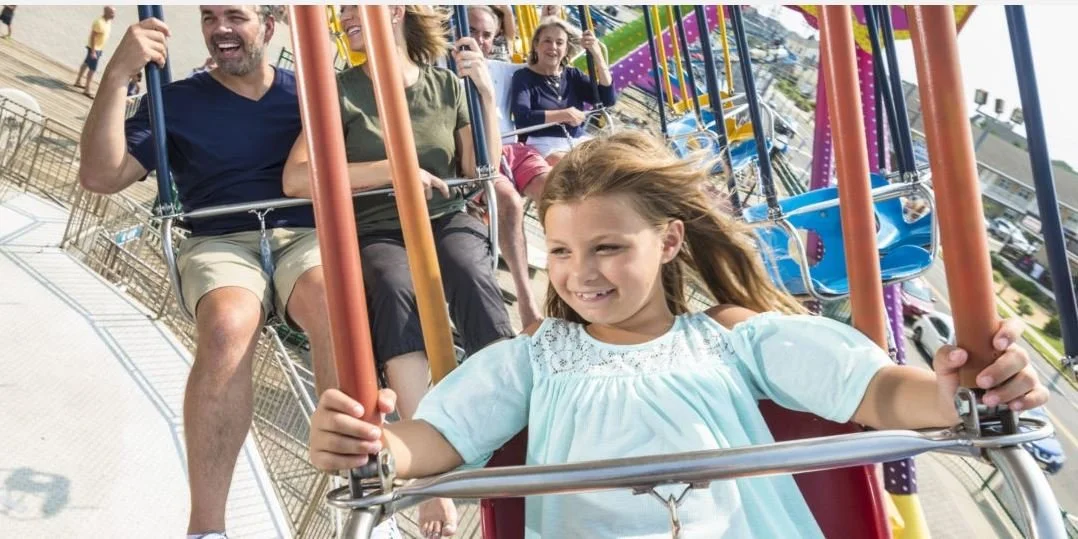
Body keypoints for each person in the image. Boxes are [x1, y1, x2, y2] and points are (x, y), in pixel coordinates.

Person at [307, 131, 1048, 538]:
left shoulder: (728, 338)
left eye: (607, 248)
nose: (579, 274)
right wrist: (373, 446)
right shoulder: (539, 359)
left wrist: (960, 393)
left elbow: (873, 391)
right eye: (560, 251)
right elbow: (438, 436)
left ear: (667, 241)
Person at [77, 6, 339, 538]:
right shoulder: (175, 102)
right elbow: (101, 176)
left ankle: (350, 472)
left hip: (300, 232)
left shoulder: (310, 96)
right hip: (221, 238)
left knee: (333, 302)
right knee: (226, 325)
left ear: (269, 26)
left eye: (235, 16)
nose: (221, 28)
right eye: (209, 17)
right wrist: (118, 74)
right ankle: (207, 527)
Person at [282, 6, 514, 537]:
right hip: (380, 224)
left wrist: (484, 95)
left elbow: (479, 168)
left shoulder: (445, 86)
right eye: (340, 11)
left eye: (354, 7)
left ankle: (504, 416)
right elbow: (296, 178)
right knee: (392, 283)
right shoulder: (340, 90)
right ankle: (426, 457)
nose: (345, 17)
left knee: (468, 268)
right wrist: (394, 169)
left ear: (395, 10)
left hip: (442, 215)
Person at [467, 5, 546, 329]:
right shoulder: (440, 66)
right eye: (472, 31)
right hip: (479, 150)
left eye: (486, 35)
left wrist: (522, 16)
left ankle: (572, 274)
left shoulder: (504, 70)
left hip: (512, 148)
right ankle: (527, 302)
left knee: (558, 191)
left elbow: (538, 60)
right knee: (510, 201)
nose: (479, 40)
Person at [510, 16, 615, 166]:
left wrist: (598, 56)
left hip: (577, 140)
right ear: (536, 45)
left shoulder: (573, 75)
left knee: (612, 160)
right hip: (542, 143)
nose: (553, 47)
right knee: (576, 165)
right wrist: (564, 115)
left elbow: (607, 100)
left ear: (566, 50)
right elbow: (522, 118)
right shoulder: (523, 77)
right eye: (547, 41)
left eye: (559, 43)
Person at [73, 6, 116, 98]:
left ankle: (78, 81)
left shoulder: (108, 22)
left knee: (86, 63)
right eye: (112, 13)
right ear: (106, 12)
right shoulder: (99, 22)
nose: (114, 15)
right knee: (92, 69)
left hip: (98, 48)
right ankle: (87, 89)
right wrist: (93, 52)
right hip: (94, 49)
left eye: (114, 13)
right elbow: (93, 37)